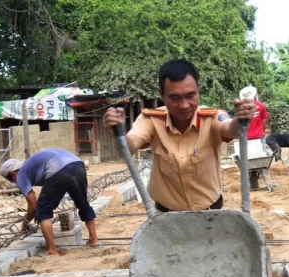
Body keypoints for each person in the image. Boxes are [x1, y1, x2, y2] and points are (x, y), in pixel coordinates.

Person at [102, 58, 255, 212]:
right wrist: (118, 134)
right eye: (175, 98)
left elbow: (231, 129)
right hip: (167, 220)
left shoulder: (212, 117)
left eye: (190, 96)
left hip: (211, 217)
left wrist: (241, 119)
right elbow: (127, 149)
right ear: (161, 94)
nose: (184, 105)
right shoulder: (151, 120)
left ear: (198, 89)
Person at [0, 149, 99, 256]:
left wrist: (25, 224)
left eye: (10, 180)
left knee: (43, 211)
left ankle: (52, 250)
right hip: (78, 164)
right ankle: (94, 241)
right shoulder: (31, 166)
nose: (14, 182)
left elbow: (33, 206)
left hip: (58, 169)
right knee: (83, 204)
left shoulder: (20, 176)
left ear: (13, 174)